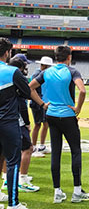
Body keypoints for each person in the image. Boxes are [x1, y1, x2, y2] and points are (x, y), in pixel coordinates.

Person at [29, 45, 89, 204]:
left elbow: (30, 88)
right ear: (69, 57)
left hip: (51, 115)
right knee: (75, 152)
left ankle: (57, 191)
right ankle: (77, 191)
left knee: (56, 152)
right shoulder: (72, 71)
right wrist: (78, 108)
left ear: (56, 57)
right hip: (68, 116)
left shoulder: (46, 72)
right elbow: (83, 91)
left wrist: (43, 104)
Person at [0, 37, 31, 209]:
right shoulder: (12, 72)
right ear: (7, 52)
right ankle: (13, 204)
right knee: (12, 162)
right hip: (8, 122)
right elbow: (26, 92)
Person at [7, 58, 40, 193]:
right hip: (15, 119)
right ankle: (22, 180)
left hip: (6, 118)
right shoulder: (17, 79)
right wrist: (26, 123)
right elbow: (22, 105)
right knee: (27, 148)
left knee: (5, 152)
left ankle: (6, 179)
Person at [30, 57, 54, 158]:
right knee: (37, 124)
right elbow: (32, 89)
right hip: (37, 103)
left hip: (42, 102)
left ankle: (42, 146)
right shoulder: (38, 74)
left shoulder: (42, 74)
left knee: (45, 123)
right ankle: (34, 147)